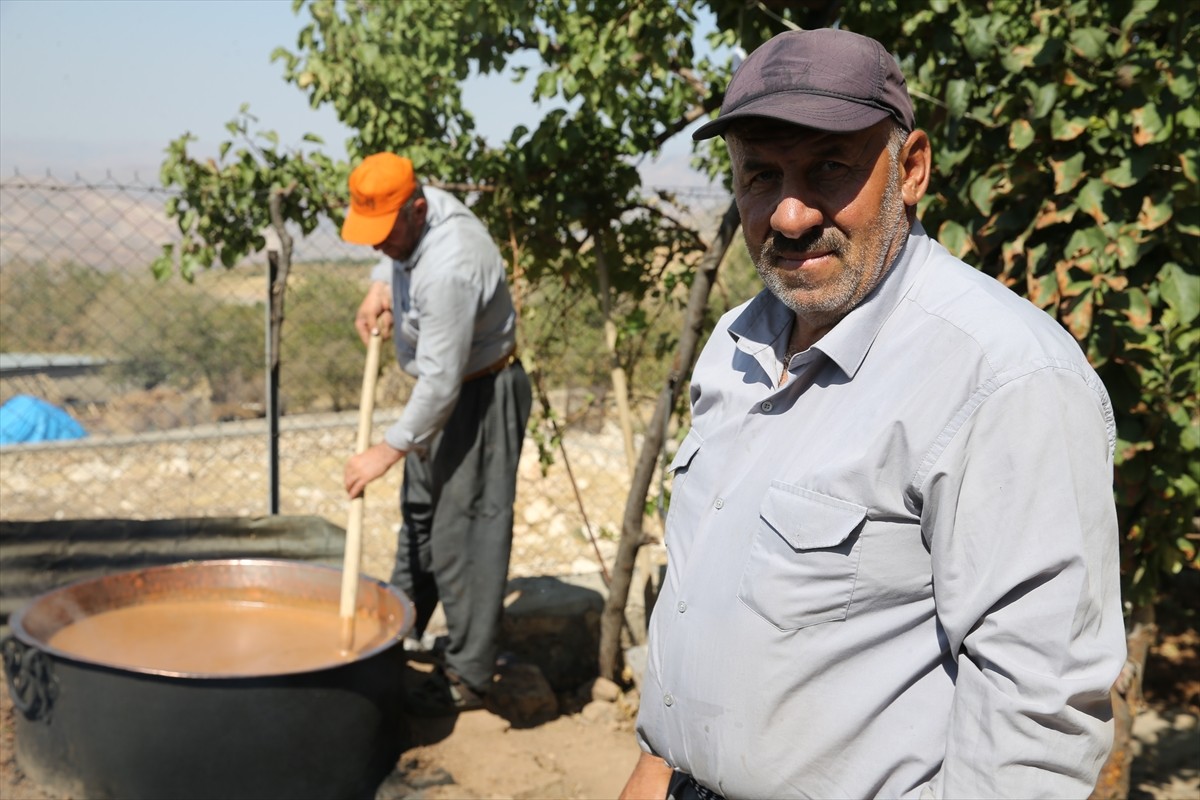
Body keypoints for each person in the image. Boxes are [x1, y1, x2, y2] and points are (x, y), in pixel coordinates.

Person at [621, 28, 1125, 800]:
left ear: (911, 168)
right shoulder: (735, 342)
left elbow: (1038, 714)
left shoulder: (1003, 378)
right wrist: (658, 767)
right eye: (760, 175)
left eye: (828, 168)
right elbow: (707, 593)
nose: (789, 215)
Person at [340, 152, 532, 714]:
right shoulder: (421, 217)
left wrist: (387, 448)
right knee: (420, 517)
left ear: (417, 208)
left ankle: (469, 676)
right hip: (444, 390)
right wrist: (381, 283)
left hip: (478, 395)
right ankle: (400, 630)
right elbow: (397, 256)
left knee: (465, 534)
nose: (378, 246)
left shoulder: (450, 265)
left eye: (384, 235)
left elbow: (443, 382)